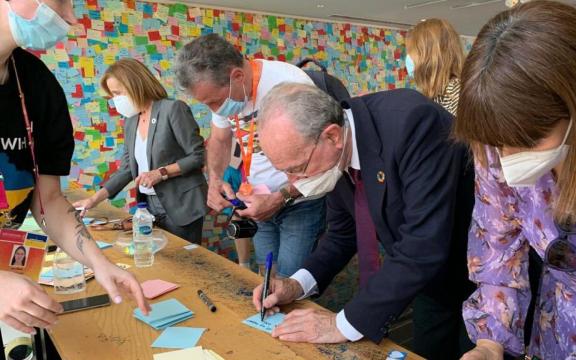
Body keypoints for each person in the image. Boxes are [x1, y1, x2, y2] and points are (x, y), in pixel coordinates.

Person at [453, 2, 576, 359]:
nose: (507, 161)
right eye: (497, 145)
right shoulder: (497, 141)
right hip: (555, 329)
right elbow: (497, 251)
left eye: (527, 141)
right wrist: (490, 345)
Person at [251, 83, 475, 360]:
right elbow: (341, 235)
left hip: (479, 280)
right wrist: (295, 285)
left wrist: (341, 324)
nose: (293, 182)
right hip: (426, 285)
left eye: (296, 169)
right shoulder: (334, 154)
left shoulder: (413, 122)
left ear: (331, 136)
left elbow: (422, 244)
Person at [0, 0, 149, 335]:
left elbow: (48, 200)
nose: (69, 16)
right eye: (61, 2)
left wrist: (101, 263)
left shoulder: (37, 84)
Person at [174, 34, 326, 276]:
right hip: (257, 202)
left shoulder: (290, 84)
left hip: (299, 203)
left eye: (214, 102)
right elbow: (220, 141)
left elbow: (323, 160)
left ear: (237, 76)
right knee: (266, 275)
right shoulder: (227, 93)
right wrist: (214, 180)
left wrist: (279, 198)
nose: (214, 110)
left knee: (291, 280)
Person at [74, 59, 208, 244]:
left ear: (135, 85)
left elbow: (198, 156)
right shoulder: (131, 121)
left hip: (181, 205)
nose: (115, 100)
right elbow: (127, 169)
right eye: (112, 96)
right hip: (149, 206)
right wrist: (94, 200)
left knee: (185, 262)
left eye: (118, 93)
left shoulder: (173, 109)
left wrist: (161, 173)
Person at [405, 18, 464, 116]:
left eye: (411, 51)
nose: (409, 57)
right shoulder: (437, 93)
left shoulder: (453, 94)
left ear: (427, 55)